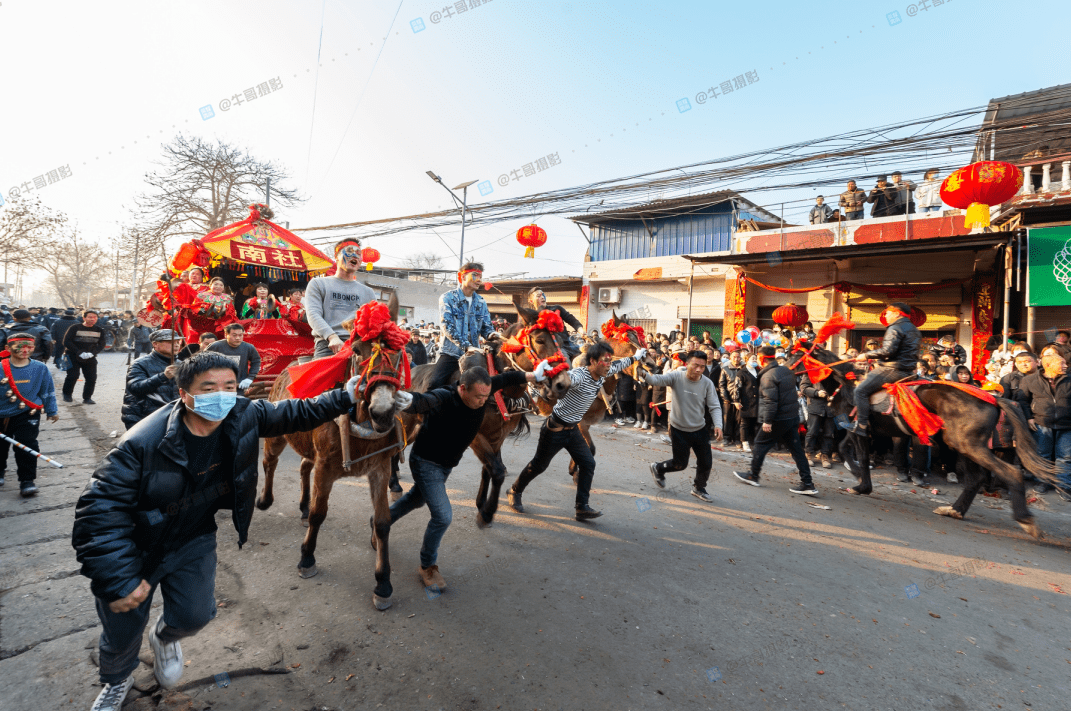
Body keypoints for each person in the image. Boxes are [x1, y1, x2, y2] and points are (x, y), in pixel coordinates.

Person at [72, 353, 366, 711]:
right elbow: (98, 513)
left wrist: (345, 396)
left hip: (193, 536)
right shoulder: (141, 443)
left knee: (195, 615)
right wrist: (117, 579)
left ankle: (165, 638)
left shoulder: (244, 414)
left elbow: (295, 413)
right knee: (122, 632)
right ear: (184, 393)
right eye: (208, 388)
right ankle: (117, 682)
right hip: (137, 547)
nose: (222, 396)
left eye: (229, 386)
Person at [386, 362, 554, 591]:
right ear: (463, 388)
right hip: (426, 462)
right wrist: (407, 400)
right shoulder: (445, 396)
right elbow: (425, 400)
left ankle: (381, 521)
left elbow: (507, 379)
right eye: (478, 397)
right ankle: (427, 566)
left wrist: (533, 375)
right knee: (443, 516)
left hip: (445, 465)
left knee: (417, 498)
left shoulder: (485, 388)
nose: (483, 401)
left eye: (486, 395)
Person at [507, 341, 646, 519]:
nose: (609, 365)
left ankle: (582, 507)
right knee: (539, 465)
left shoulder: (603, 372)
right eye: (605, 361)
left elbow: (619, 364)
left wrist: (635, 357)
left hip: (573, 431)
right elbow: (569, 378)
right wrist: (556, 381)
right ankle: (514, 491)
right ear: (593, 361)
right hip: (554, 429)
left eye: (610, 361)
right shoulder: (580, 374)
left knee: (588, 463)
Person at [732, 346, 817, 494]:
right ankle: (808, 483)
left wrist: (768, 421)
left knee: (759, 443)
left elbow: (771, 401)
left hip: (778, 419)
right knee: (797, 450)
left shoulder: (768, 376)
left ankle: (753, 475)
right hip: (791, 417)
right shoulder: (785, 370)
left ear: (763, 358)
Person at [644, 350, 723, 502]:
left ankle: (699, 488)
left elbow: (714, 406)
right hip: (679, 429)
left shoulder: (707, 383)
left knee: (706, 462)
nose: (699, 369)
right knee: (680, 464)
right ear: (687, 364)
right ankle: (658, 468)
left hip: (700, 429)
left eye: (702, 366)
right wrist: (643, 374)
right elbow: (656, 380)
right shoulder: (676, 377)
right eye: (695, 365)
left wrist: (718, 425)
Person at [847, 303, 922, 434]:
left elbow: (888, 351)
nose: (885, 315)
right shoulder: (915, 329)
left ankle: (862, 426)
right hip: (908, 371)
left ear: (897, 313)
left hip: (892, 369)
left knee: (860, 390)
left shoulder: (895, 328)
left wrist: (866, 354)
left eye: (887, 312)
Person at [0, 333, 59, 496]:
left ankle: (27, 480)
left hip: (27, 412)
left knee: (27, 444)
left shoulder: (40, 368)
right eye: (19, 346)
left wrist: (52, 410)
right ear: (7, 348)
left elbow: (47, 390)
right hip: (0, 414)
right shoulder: (0, 367)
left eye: (29, 346)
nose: (25, 350)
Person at [430, 261, 497, 390]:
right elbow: (447, 326)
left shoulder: (481, 302)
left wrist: (492, 334)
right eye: (475, 276)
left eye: (480, 277)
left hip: (476, 356)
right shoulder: (447, 298)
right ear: (462, 277)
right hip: (451, 354)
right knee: (434, 384)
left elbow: (486, 327)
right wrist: (466, 346)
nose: (478, 280)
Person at [306, 240, 378, 358]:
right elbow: (313, 315)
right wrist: (332, 337)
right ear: (337, 256)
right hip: (328, 344)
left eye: (359, 254)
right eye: (349, 251)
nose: (355, 255)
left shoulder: (368, 292)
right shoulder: (318, 284)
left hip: (360, 347)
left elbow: (373, 322)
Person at [1017, 350, 1071, 501]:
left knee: (1065, 457)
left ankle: (1064, 486)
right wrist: (1029, 418)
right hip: (1041, 423)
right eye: (1062, 363)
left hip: (1067, 424)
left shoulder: (1069, 379)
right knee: (1042, 455)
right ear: (1048, 365)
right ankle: (1042, 482)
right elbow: (1022, 401)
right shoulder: (1030, 380)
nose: (1065, 365)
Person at [121, 330, 184, 430]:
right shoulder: (139, 364)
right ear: (155, 344)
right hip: (144, 416)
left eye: (178, 342)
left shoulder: (181, 364)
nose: (176, 345)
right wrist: (163, 376)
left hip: (173, 415)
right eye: (171, 342)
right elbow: (135, 388)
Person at [62, 310, 105, 404]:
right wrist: (78, 352)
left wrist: (92, 353)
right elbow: (67, 341)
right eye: (90, 317)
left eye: (95, 317)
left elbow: (101, 344)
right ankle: (67, 394)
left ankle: (87, 397)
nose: (92, 319)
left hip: (90, 357)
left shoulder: (99, 330)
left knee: (91, 378)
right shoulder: (75, 328)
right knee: (73, 376)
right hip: (73, 355)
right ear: (84, 318)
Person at [527, 287, 582, 362]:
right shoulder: (532, 317)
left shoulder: (556, 308)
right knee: (568, 367)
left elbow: (571, 319)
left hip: (569, 344)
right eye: (538, 296)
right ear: (531, 301)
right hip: (554, 349)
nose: (542, 297)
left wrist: (580, 329)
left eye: (543, 294)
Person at [205, 323, 260, 391]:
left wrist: (250, 378)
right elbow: (202, 361)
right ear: (226, 335)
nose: (237, 338)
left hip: (239, 386)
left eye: (240, 335)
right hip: (217, 387)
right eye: (234, 335)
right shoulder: (215, 346)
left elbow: (256, 361)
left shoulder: (248, 348)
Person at [800, 369, 835, 469]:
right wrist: (816, 392)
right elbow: (804, 387)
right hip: (815, 405)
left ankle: (825, 455)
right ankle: (809, 454)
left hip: (831, 407)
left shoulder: (834, 372)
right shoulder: (812, 370)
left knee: (829, 433)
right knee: (812, 431)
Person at [718, 349, 742, 447]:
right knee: (727, 419)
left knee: (739, 420)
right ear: (730, 358)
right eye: (734, 357)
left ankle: (737, 439)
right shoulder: (725, 369)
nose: (736, 359)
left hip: (740, 399)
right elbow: (721, 385)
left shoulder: (743, 369)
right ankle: (727, 438)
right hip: (728, 399)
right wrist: (725, 398)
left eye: (738, 357)